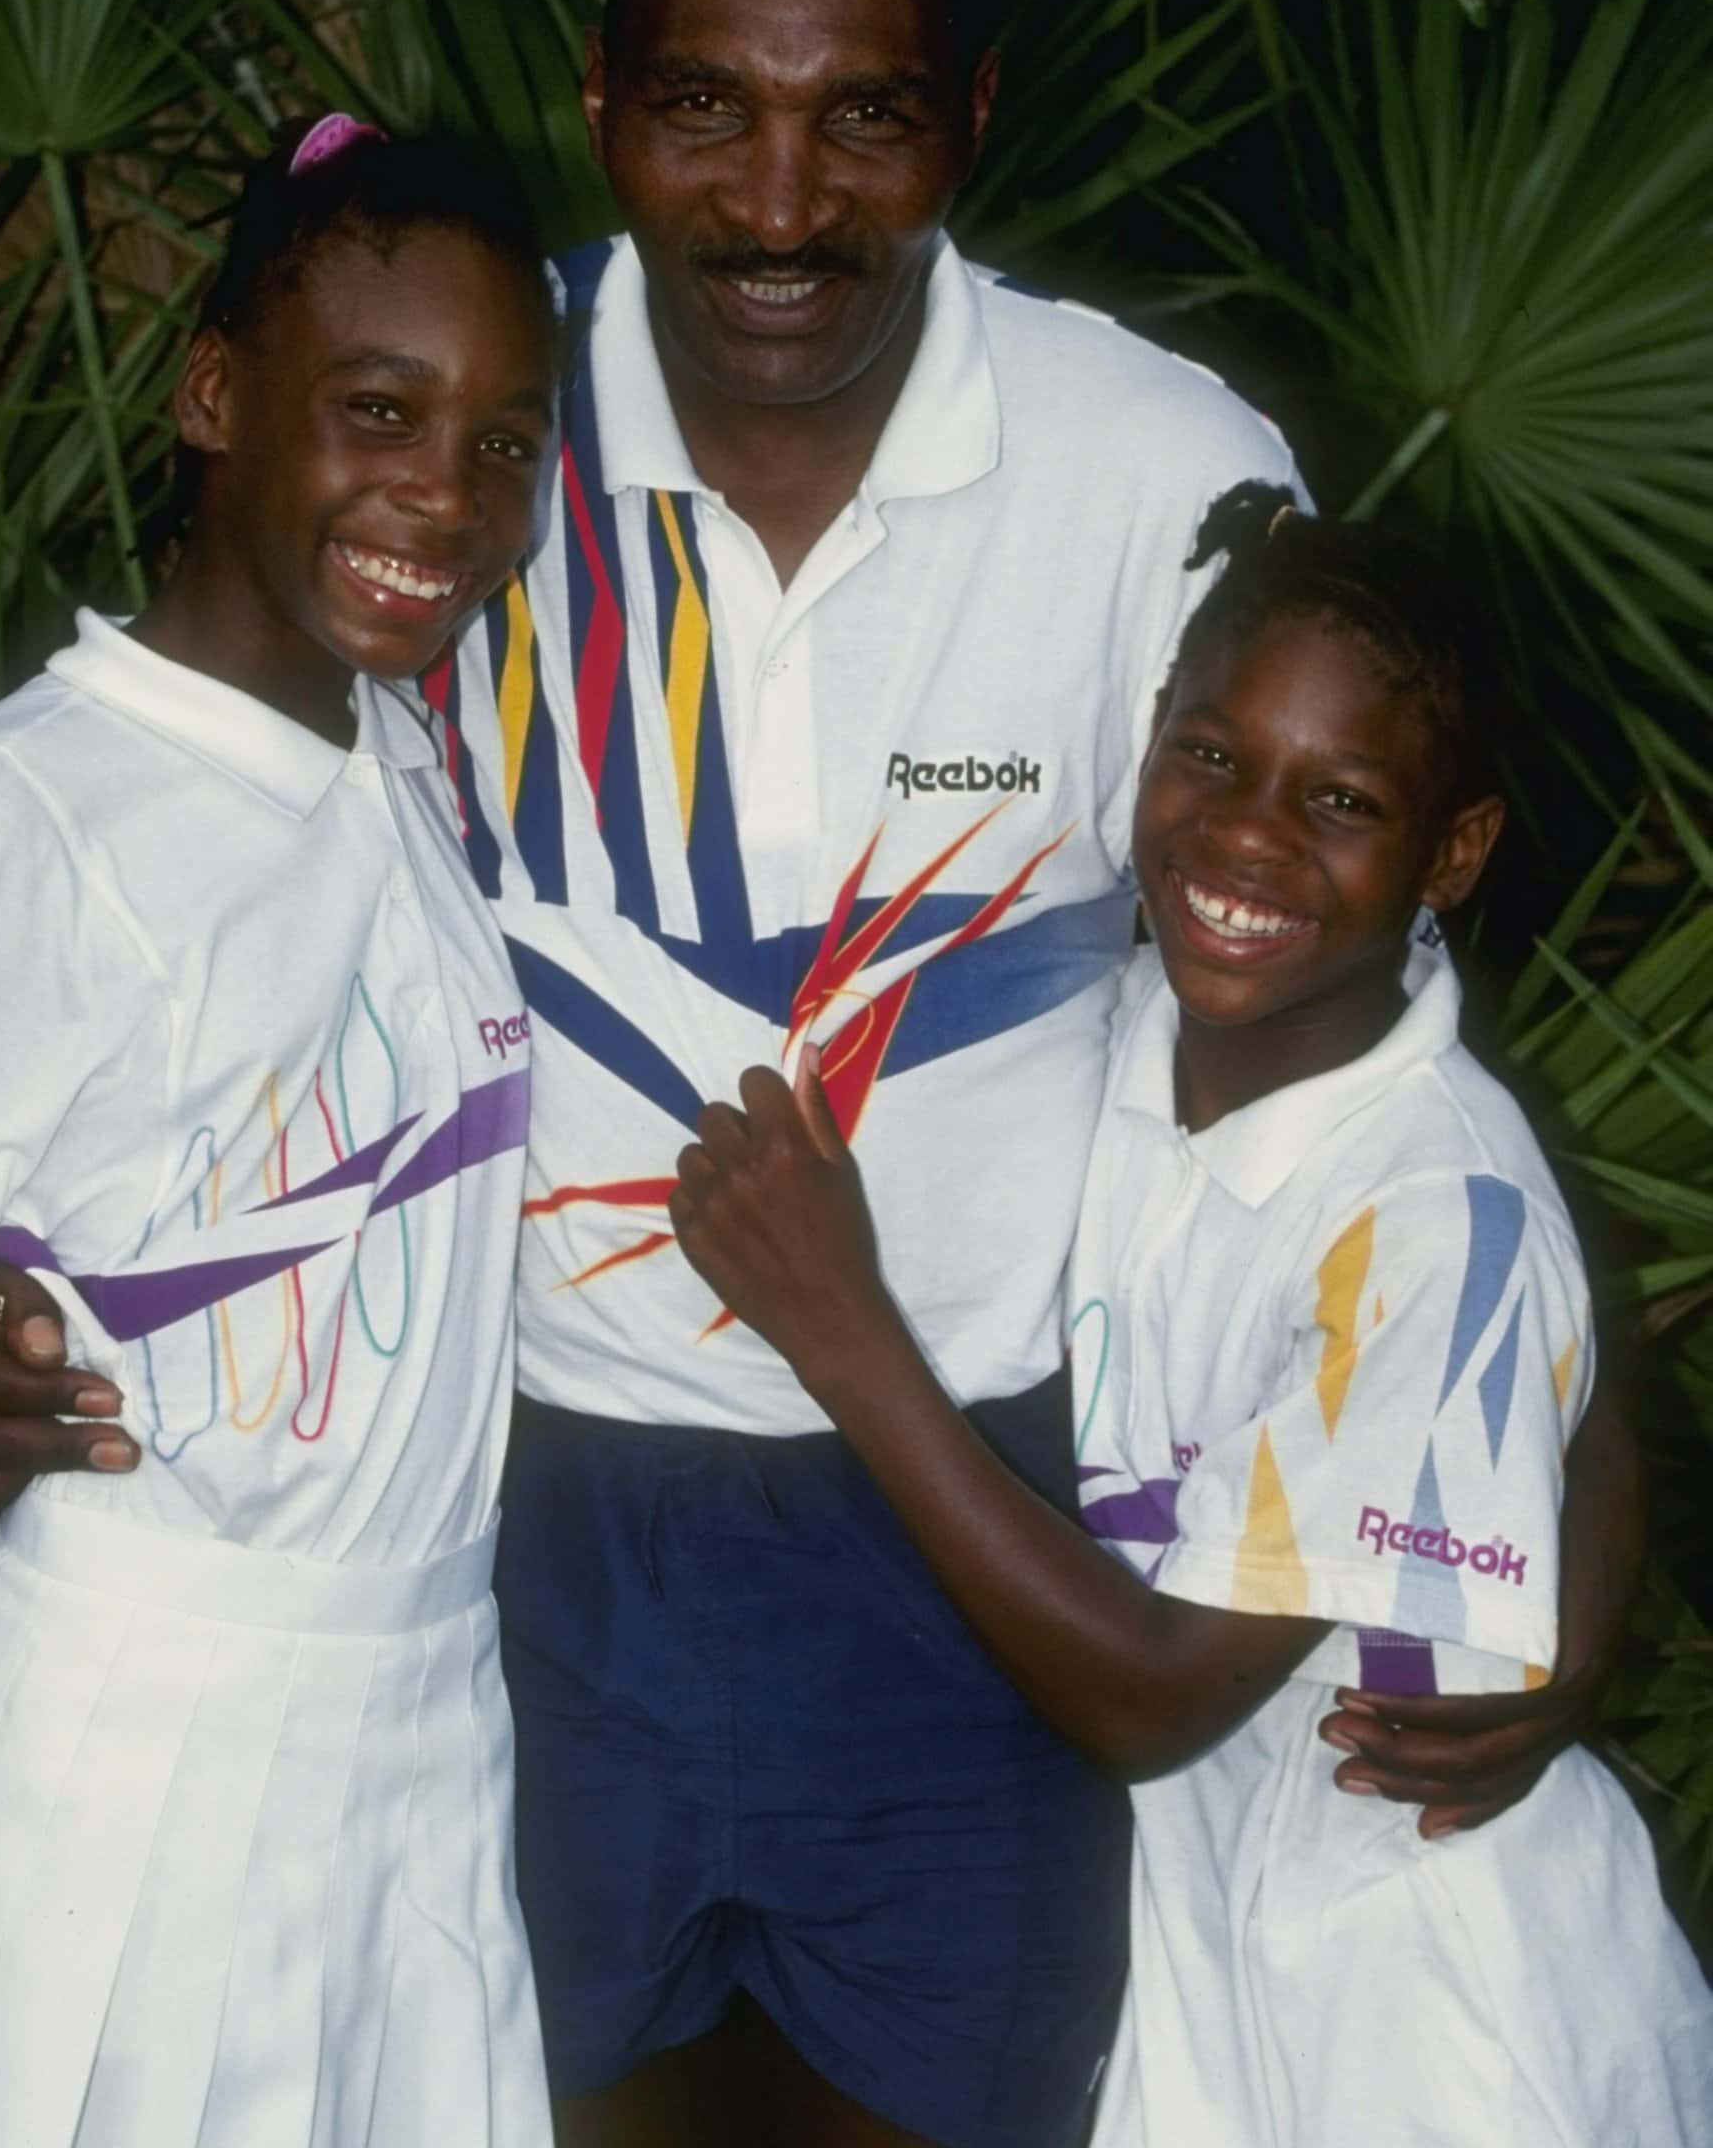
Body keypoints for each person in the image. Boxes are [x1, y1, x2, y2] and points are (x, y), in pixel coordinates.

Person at [0, 0, 1640, 2148]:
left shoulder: (1159, 467)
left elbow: (1378, 1066)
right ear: (608, 107)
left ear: (967, 121)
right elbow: (195, 859)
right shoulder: (471, 420)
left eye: (867, 116)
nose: (784, 203)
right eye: (708, 107)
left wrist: (1583, 1537)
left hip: (982, 1540)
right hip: (519, 1535)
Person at [670, 483, 1713, 2147]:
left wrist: (841, 1332)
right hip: (1200, 1946)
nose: (1248, 838)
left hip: (1426, 1982)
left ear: (1454, 850)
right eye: (1214, 758)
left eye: (1344, 800)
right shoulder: (1129, 1023)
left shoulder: (1437, 1208)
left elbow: (1154, 1693)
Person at [0, 124, 562, 2148]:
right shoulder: (29, 820)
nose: (444, 499)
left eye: (508, 443)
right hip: (142, 1760)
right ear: (211, 397)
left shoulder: (401, 754)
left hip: (422, 1749)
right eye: (378, 413)